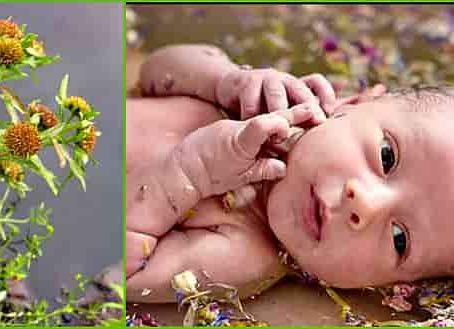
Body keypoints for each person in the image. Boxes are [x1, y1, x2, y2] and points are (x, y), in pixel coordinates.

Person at [127, 44, 454, 304]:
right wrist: (224, 79)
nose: (366, 206)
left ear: (391, 284)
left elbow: (112, 276)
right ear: (352, 103)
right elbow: (155, 69)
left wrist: (189, 171)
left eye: (400, 239)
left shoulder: (245, 253)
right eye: (387, 156)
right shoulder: (254, 100)